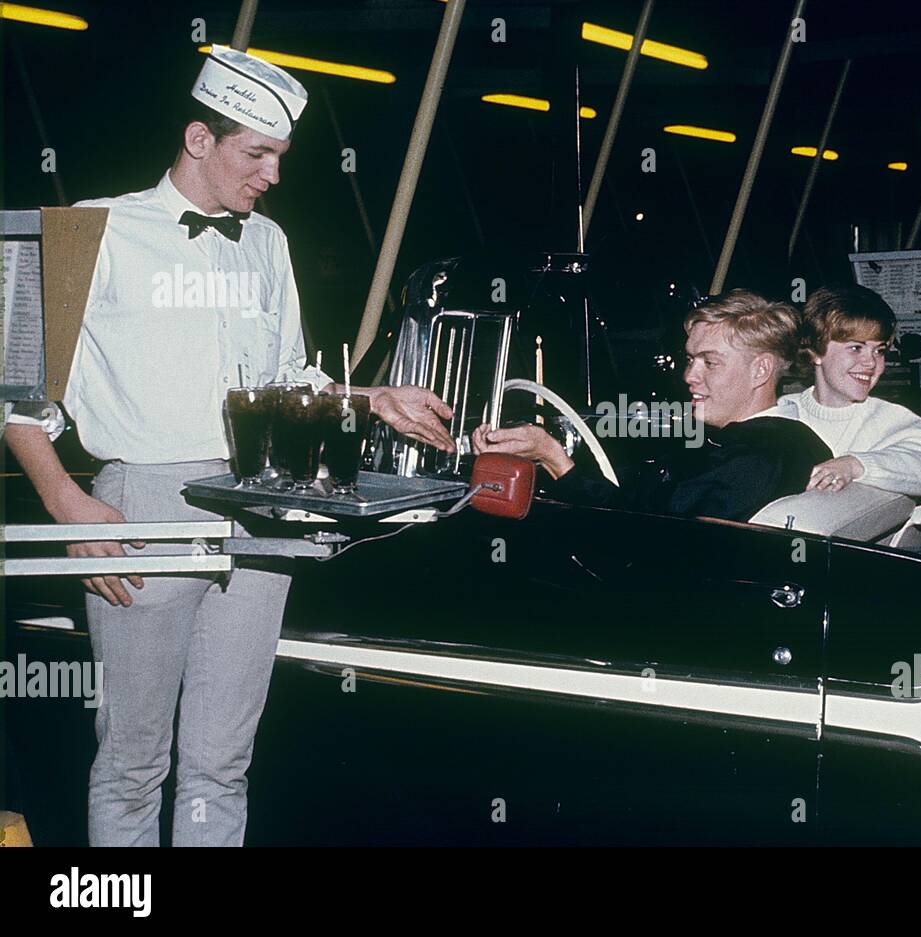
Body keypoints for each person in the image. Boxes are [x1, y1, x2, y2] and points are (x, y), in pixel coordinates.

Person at [3, 45, 453, 847]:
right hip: (143, 505)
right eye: (257, 153)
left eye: (280, 156)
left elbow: (285, 378)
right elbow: (14, 394)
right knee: (133, 760)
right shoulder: (75, 235)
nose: (273, 175)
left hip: (264, 499)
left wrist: (371, 397)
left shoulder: (269, 246)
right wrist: (70, 503)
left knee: (222, 761)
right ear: (199, 139)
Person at [472, 289, 832, 521]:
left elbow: (639, 539)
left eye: (710, 362)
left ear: (761, 370)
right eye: (690, 360)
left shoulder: (749, 460)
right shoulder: (800, 442)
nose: (690, 376)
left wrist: (553, 457)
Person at [771, 285, 921, 496]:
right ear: (815, 352)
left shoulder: (892, 419)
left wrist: (853, 465)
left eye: (879, 351)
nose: (871, 362)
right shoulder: (782, 411)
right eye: (856, 348)